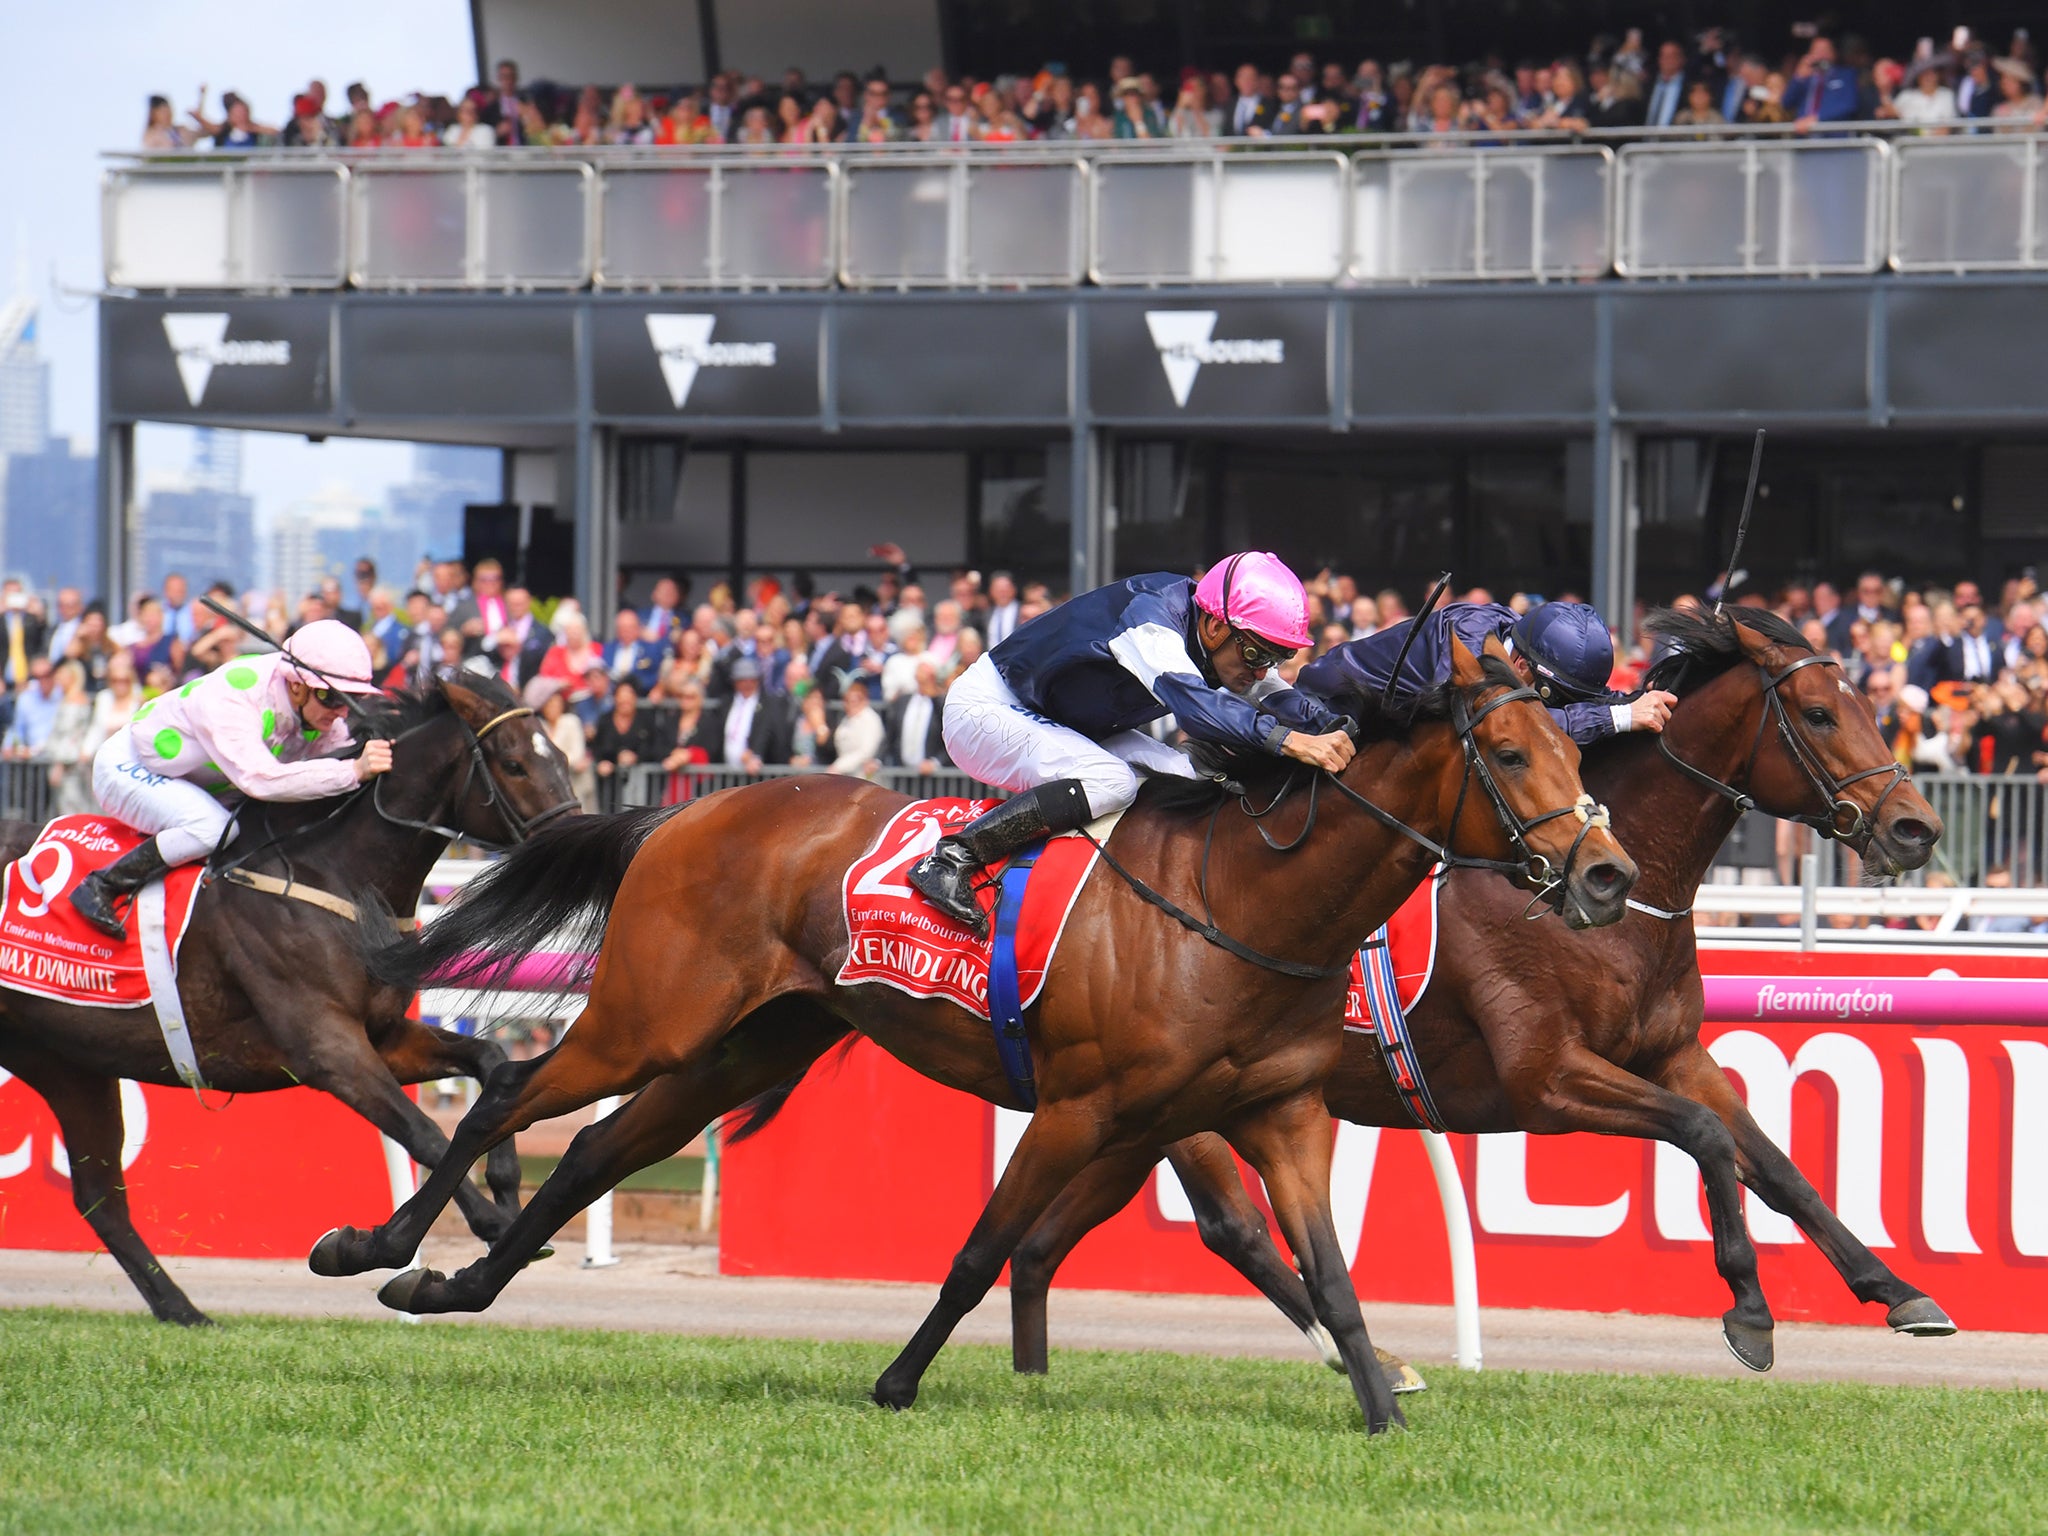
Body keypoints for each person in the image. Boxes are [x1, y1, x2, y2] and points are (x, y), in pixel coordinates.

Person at [908, 552, 1351, 933]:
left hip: (1069, 720)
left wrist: (1341, 726)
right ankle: (952, 857)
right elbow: (1194, 707)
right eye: (1257, 654)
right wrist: (1288, 741)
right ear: (1216, 627)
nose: (1261, 670)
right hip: (989, 705)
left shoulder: (1225, 632)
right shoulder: (1151, 616)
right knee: (1112, 782)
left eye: (1277, 657)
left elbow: (1277, 695)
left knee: (1194, 777)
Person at [71, 621, 390, 940]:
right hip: (131, 768)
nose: (340, 713)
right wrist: (353, 771)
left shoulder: (315, 710)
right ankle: (101, 885)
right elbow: (260, 781)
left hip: (202, 784)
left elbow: (337, 760)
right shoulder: (233, 695)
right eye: (332, 697)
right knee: (214, 829)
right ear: (296, 685)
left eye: (350, 699)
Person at [1300, 599, 1674, 746]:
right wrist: (1619, 718)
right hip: (1323, 713)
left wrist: (1637, 701)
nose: (1558, 704)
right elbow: (1503, 724)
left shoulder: (1527, 644)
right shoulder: (1470, 644)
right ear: (1521, 666)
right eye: (1553, 696)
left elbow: (1586, 701)